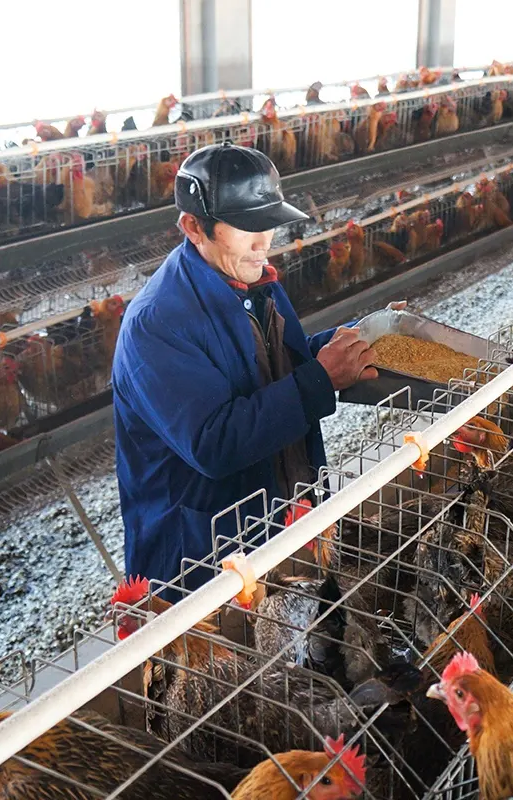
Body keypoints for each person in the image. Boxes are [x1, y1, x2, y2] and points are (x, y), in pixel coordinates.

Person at [112, 142, 397, 596]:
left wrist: (358, 339)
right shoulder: (157, 322)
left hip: (275, 521)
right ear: (193, 227)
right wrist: (322, 378)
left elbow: (281, 363)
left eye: (269, 224)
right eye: (247, 226)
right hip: (203, 560)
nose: (264, 242)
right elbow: (214, 443)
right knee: (227, 665)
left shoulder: (253, 279)